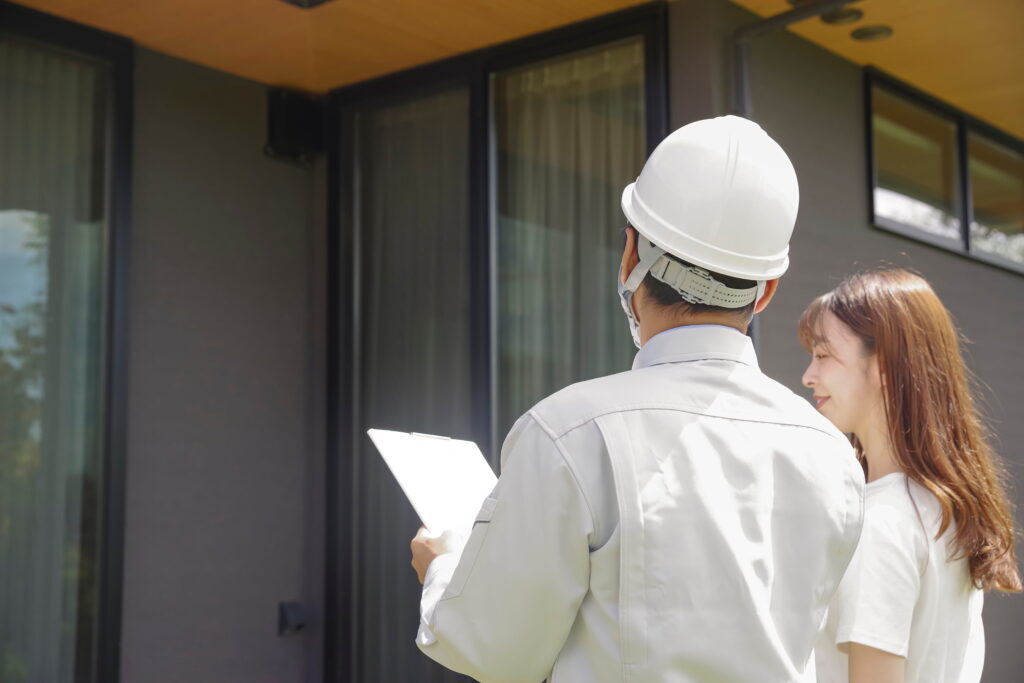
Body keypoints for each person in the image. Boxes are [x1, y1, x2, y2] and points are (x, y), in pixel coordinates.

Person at [409, 115, 865, 682]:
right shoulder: (831, 453)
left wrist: (444, 568)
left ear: (630, 256)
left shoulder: (571, 431)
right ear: (766, 290)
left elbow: (495, 651)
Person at [800, 268, 1022, 683]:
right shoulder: (945, 508)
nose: (808, 375)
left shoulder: (881, 523)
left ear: (884, 364)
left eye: (823, 355)